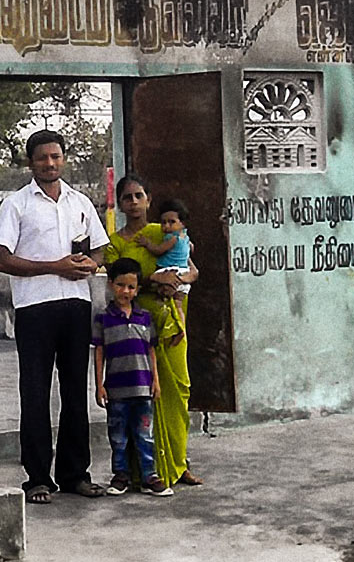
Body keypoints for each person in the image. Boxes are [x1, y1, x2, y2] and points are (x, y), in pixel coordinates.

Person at [0, 129, 110, 504]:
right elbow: (2, 258)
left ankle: (76, 474)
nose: (50, 163)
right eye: (42, 158)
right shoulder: (17, 204)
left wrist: (90, 264)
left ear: (63, 158)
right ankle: (38, 478)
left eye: (56, 157)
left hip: (76, 305)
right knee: (35, 393)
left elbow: (101, 249)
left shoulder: (79, 202)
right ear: (31, 162)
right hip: (35, 308)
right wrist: (54, 266)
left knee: (75, 392)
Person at [103, 174, 205, 488]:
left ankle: (178, 463)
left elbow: (192, 269)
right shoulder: (115, 244)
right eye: (127, 198)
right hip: (135, 325)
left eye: (139, 196)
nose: (133, 203)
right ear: (119, 204)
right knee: (139, 394)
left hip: (172, 318)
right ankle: (138, 471)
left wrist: (181, 280)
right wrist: (152, 282)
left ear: (148, 199)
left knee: (178, 388)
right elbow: (117, 281)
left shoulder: (165, 230)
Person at [92, 257, 173, 497]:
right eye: (120, 285)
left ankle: (149, 476)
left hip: (142, 389)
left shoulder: (144, 317)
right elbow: (99, 352)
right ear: (110, 284)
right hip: (116, 390)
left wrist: (155, 381)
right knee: (118, 436)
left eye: (130, 287)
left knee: (144, 435)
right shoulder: (103, 319)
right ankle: (120, 476)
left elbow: (151, 350)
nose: (125, 291)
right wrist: (99, 386)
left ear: (137, 290)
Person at [137, 198, 191, 346]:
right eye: (164, 222)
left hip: (171, 272)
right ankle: (181, 330)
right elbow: (191, 249)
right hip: (183, 275)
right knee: (178, 305)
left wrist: (147, 244)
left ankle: (168, 331)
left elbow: (159, 250)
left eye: (171, 222)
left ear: (182, 223)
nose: (166, 226)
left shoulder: (172, 239)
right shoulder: (185, 237)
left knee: (160, 295)